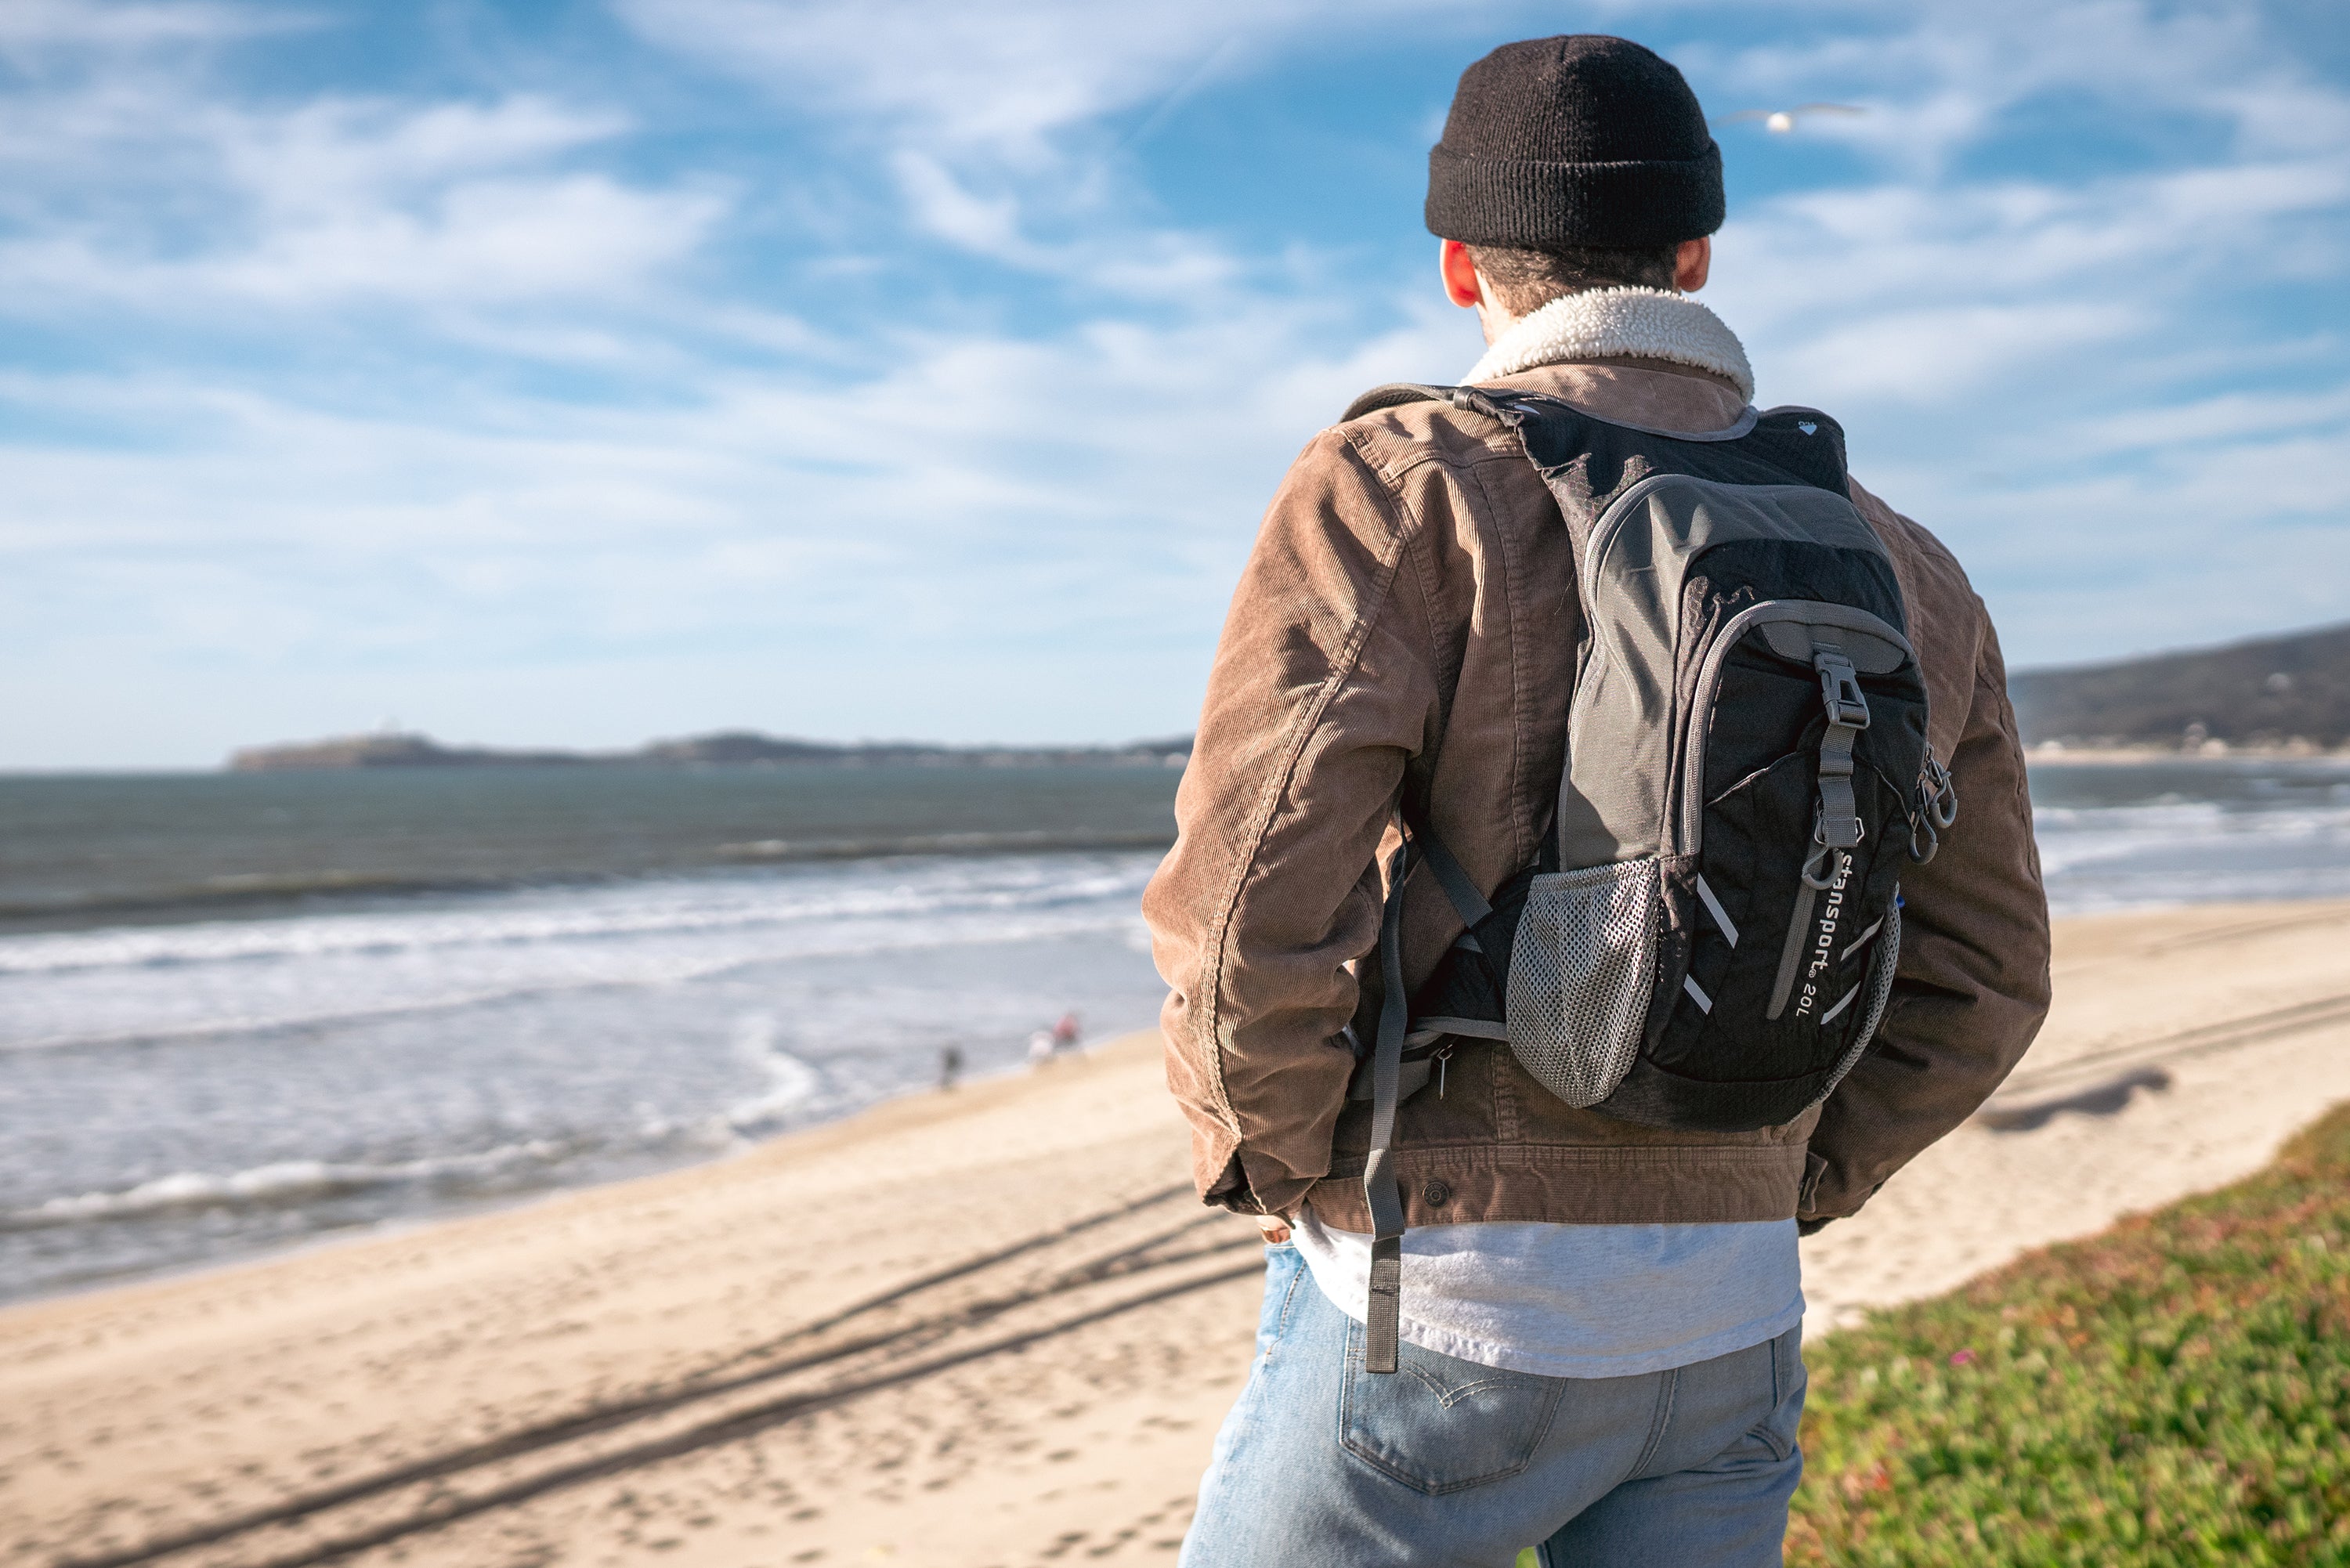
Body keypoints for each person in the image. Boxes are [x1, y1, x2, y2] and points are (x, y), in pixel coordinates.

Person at [1142, 34, 2050, 1567]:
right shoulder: (1901, 556)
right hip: (1733, 1318)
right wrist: (1787, 1174)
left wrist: (1277, 1151)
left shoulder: (1400, 480)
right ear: (1694, 255)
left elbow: (1251, 899)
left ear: (1459, 269)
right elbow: (1988, 969)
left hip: (1445, 1293)